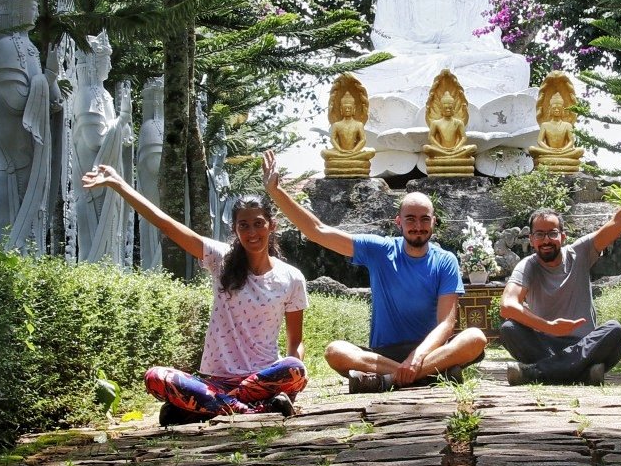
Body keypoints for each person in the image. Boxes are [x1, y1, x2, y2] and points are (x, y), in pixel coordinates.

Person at [81, 164, 307, 426]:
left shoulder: (291, 278)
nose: (252, 233)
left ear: (271, 226)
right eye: (243, 225)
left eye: (258, 224)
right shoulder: (220, 259)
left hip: (262, 379)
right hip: (215, 381)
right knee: (155, 377)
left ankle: (206, 406)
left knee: (295, 369)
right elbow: (167, 225)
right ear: (235, 230)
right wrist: (119, 185)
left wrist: (291, 381)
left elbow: (296, 341)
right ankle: (253, 408)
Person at [262, 149, 487, 393]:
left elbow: (446, 324)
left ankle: (390, 379)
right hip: (383, 354)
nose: (418, 226)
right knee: (335, 351)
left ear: (434, 222)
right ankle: (428, 374)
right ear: (398, 222)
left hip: (428, 350)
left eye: (424, 219)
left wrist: (417, 357)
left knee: (475, 338)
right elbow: (318, 231)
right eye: (410, 219)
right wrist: (276, 191)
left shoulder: (445, 261)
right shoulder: (380, 250)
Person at [502, 146, 621, 386]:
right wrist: (549, 327)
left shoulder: (580, 252)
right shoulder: (527, 266)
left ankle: (539, 372)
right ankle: (580, 372)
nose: (546, 240)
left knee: (614, 329)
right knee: (509, 328)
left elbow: (618, 222)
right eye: (539, 234)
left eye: (552, 233)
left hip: (586, 344)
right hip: (546, 344)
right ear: (531, 239)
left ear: (563, 236)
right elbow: (508, 305)